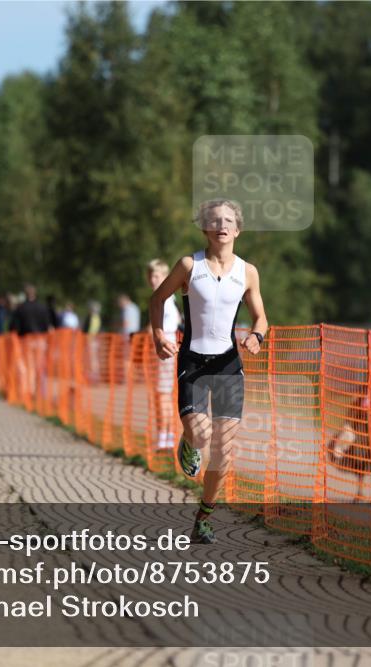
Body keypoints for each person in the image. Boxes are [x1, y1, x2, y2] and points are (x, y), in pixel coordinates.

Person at [149, 199, 268, 544]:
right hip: (194, 362)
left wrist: (258, 335)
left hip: (228, 363)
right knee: (201, 437)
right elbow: (157, 300)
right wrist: (159, 335)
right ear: (205, 228)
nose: (222, 225)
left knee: (224, 450)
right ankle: (188, 443)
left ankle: (204, 517)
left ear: (238, 229)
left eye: (228, 220)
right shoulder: (189, 265)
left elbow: (261, 316)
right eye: (215, 220)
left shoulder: (248, 272)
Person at [325, 363, 371, 500]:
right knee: (360, 458)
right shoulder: (363, 389)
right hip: (361, 427)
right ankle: (360, 491)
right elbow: (354, 407)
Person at [147, 259, 183, 451]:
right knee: (163, 394)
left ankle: (165, 437)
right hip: (166, 351)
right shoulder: (167, 299)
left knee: (163, 394)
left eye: (157, 276)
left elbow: (166, 328)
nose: (153, 280)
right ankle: (165, 435)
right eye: (151, 276)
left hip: (166, 352)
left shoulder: (165, 300)